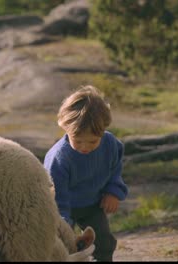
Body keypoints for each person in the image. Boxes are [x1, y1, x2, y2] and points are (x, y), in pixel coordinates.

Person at [43, 85, 128, 262]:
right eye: (78, 140)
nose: (85, 147)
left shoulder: (111, 145)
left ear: (103, 131)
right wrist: (63, 223)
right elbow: (56, 195)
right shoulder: (59, 159)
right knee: (64, 247)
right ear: (65, 128)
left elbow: (115, 168)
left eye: (92, 141)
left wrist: (114, 191)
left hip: (93, 205)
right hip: (64, 209)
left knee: (104, 243)